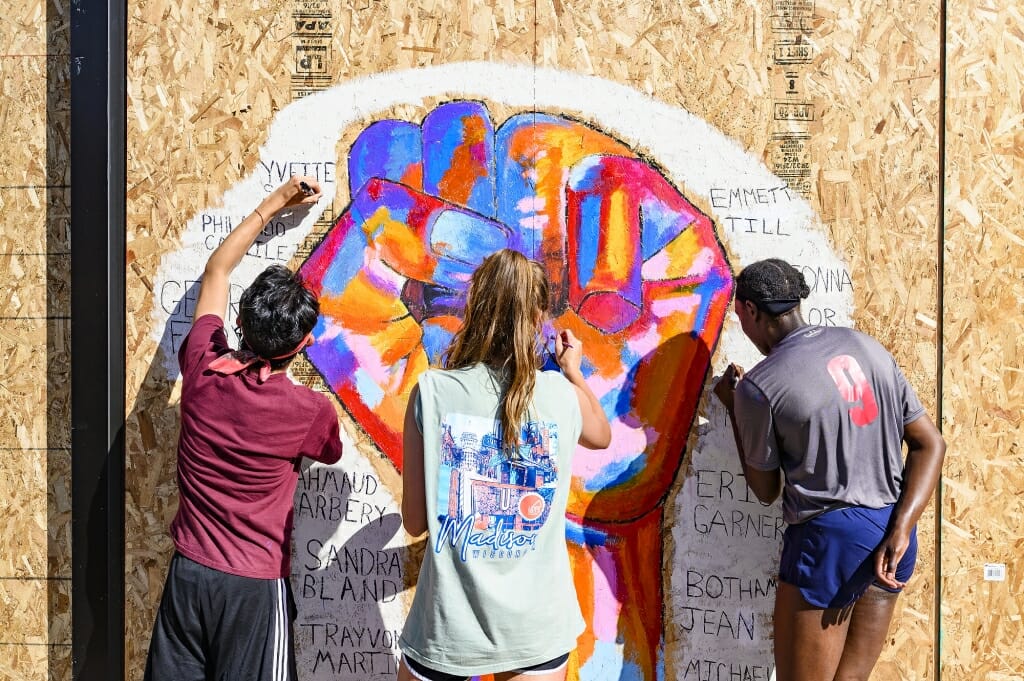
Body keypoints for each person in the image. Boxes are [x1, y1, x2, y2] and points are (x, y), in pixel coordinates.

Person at [144, 176, 343, 681]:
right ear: (299, 346)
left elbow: (217, 269)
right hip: (253, 589)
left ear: (241, 321)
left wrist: (276, 202)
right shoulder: (308, 412)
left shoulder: (202, 366)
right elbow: (331, 450)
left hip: (189, 575)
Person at [712, 258, 945, 681]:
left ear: (749, 311)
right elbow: (931, 444)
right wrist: (903, 528)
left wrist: (733, 410)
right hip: (891, 536)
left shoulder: (758, 387)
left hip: (829, 549)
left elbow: (765, 490)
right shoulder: (868, 348)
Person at [398, 249, 612, 681]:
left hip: (448, 632)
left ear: (473, 307)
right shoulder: (561, 395)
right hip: (536, 630)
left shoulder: (432, 391)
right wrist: (573, 371)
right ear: (538, 317)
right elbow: (601, 435)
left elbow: (416, 522)